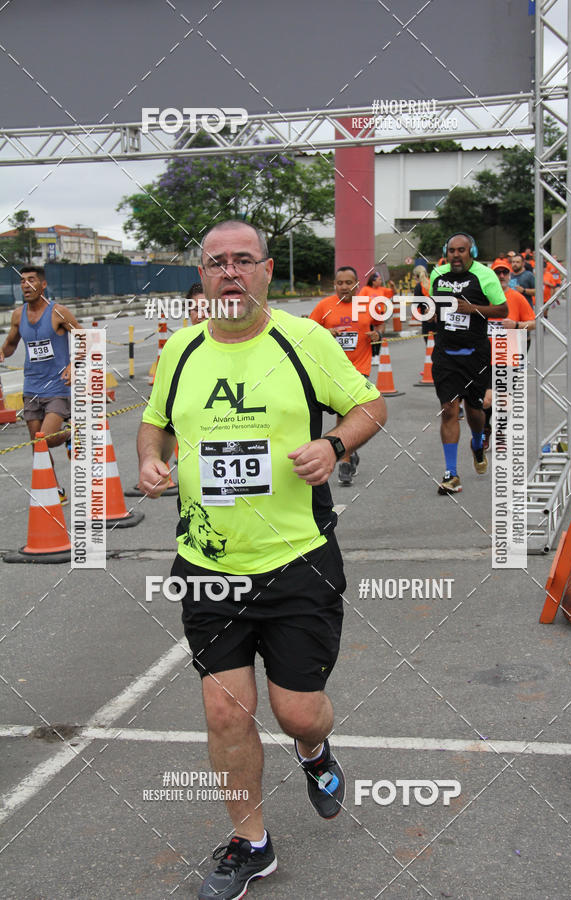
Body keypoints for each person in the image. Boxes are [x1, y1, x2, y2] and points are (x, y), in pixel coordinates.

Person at [137, 220, 387, 900]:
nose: (229, 272)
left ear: (267, 270)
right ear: (203, 274)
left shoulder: (304, 341)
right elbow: (154, 420)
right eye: (216, 262)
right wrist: (149, 458)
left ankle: (313, 750)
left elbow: (370, 405)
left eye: (243, 260)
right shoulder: (182, 349)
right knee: (226, 712)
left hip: (296, 559)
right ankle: (251, 842)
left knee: (299, 711)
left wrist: (334, 446)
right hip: (209, 562)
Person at [430, 233, 507, 495]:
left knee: (474, 411)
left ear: (471, 251)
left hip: (475, 354)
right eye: (452, 250)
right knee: (449, 410)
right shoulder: (437, 275)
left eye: (461, 250)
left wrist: (472, 308)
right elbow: (434, 307)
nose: (456, 255)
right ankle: (451, 474)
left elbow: (502, 310)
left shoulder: (485, 276)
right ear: (446, 252)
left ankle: (477, 443)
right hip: (446, 354)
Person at [0, 265, 81, 502]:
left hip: (58, 388)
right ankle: (56, 489)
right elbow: (12, 343)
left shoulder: (58, 312)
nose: (26, 285)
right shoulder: (18, 315)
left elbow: (86, 338)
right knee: (37, 445)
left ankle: (69, 436)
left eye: (31, 280)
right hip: (31, 387)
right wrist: (3, 352)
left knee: (43, 437)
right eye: (22, 281)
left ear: (43, 285)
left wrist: (72, 365)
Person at [310, 266, 383, 485]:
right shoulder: (325, 306)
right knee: (344, 413)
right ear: (335, 285)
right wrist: (327, 332)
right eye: (340, 283)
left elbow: (380, 326)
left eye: (348, 282)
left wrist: (377, 334)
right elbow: (310, 331)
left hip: (358, 368)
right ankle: (349, 450)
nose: (344, 287)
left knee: (348, 410)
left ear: (356, 285)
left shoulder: (366, 305)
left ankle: (344, 461)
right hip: (331, 369)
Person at [482, 259, 536, 447]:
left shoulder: (516, 297)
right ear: (493, 276)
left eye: (505, 272)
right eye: (498, 273)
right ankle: (486, 429)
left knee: (504, 399)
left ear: (510, 275)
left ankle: (501, 432)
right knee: (486, 401)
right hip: (484, 355)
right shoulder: (484, 297)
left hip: (509, 355)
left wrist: (516, 325)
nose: (502, 276)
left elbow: (533, 322)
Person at [358, 272, 389, 365]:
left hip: (379, 315)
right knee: (370, 335)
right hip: (369, 315)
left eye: (380, 279)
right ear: (373, 281)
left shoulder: (382, 289)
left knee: (378, 335)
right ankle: (372, 355)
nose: (380, 281)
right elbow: (359, 301)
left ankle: (377, 355)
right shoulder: (365, 289)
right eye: (378, 279)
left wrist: (393, 286)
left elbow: (392, 293)